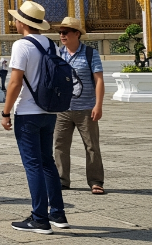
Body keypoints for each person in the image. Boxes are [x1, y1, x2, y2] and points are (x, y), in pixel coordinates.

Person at [2, 1, 68, 234]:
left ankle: (40, 218)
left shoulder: (22, 45)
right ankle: (57, 213)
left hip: (28, 112)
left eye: (17, 19)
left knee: (33, 165)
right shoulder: (50, 44)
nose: (15, 22)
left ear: (23, 23)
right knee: (47, 162)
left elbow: (15, 82)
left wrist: (5, 112)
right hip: (49, 111)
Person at [55, 17, 105, 195]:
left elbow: (99, 81)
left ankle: (95, 181)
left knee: (92, 146)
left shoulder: (91, 54)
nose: (62, 35)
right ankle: (62, 179)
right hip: (63, 109)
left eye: (65, 32)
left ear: (77, 34)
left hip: (86, 108)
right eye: (60, 32)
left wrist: (98, 105)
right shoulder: (58, 54)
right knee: (60, 145)